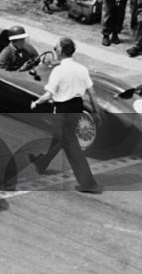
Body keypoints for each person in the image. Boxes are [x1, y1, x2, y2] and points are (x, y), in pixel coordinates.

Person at [29, 37, 103, 194]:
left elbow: (49, 95)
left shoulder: (59, 70)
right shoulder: (82, 69)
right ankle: (42, 163)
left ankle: (88, 183)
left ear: (61, 51)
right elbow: (92, 93)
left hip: (63, 110)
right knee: (60, 139)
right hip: (77, 108)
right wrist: (96, 112)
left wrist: (36, 103)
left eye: (56, 48)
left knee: (71, 146)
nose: (55, 51)